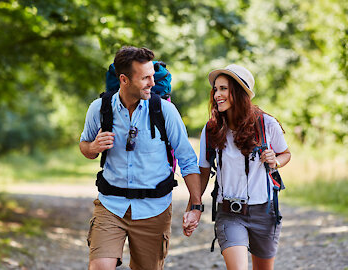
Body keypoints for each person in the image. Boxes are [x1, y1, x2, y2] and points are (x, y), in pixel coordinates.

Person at [79, 46, 203, 270]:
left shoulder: (165, 111)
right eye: (145, 78)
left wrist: (195, 204)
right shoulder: (99, 109)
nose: (152, 83)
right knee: (99, 266)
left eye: (153, 77)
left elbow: (187, 159)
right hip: (110, 206)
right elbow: (85, 146)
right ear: (124, 80)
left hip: (154, 209)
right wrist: (93, 147)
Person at [196, 64, 291, 270]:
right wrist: (194, 207)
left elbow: (286, 154)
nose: (216, 94)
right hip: (229, 212)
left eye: (223, 89)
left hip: (264, 211)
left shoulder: (266, 124)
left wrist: (275, 160)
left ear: (238, 92)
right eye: (215, 89)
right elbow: (203, 170)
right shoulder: (212, 129)